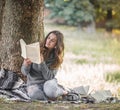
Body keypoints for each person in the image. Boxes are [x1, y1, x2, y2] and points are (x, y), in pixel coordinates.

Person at [21, 30, 68, 100]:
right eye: (48, 38)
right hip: (33, 84)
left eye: (52, 41)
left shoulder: (56, 58)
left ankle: (61, 91)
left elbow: (48, 77)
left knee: (50, 92)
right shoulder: (36, 49)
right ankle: (50, 98)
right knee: (34, 95)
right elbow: (24, 73)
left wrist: (42, 63)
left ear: (56, 45)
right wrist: (25, 65)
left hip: (48, 82)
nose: (48, 41)